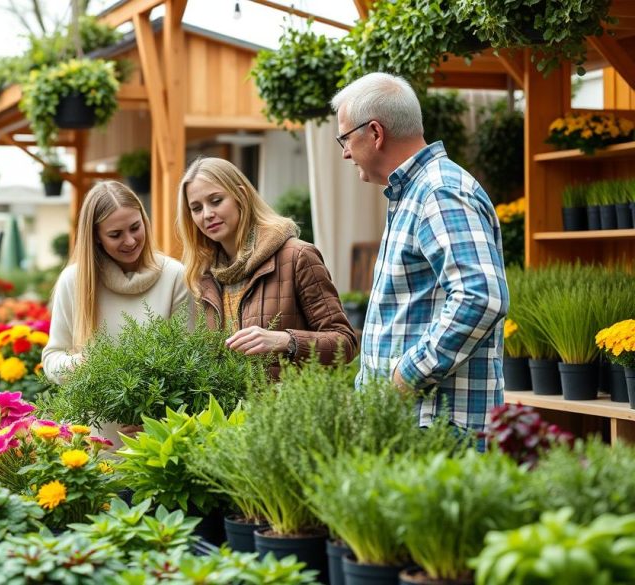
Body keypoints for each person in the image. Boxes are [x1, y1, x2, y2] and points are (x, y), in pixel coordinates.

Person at [331, 72, 509, 437]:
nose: (346, 152)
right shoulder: (419, 192)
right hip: (416, 423)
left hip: (437, 427)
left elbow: (482, 297)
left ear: (376, 133)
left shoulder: (438, 192)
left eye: (345, 138)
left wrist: (404, 376)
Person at [177, 157, 357, 378]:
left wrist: (285, 340)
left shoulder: (297, 256)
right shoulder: (203, 275)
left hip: (284, 409)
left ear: (241, 195)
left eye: (216, 200)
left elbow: (345, 343)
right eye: (196, 208)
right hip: (227, 412)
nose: (206, 214)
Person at [42, 181, 190, 384]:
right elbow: (52, 359)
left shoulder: (175, 276)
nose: (129, 241)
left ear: (144, 221)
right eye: (115, 235)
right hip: (93, 413)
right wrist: (81, 364)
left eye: (135, 227)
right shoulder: (73, 281)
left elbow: (190, 356)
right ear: (96, 237)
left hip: (161, 412)